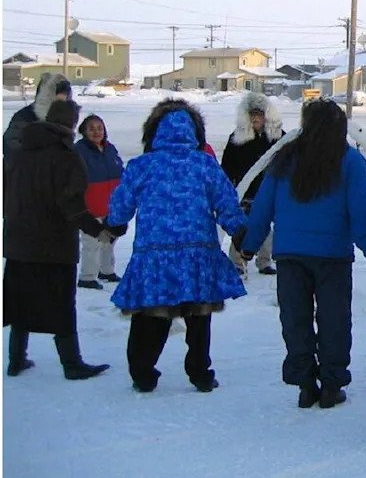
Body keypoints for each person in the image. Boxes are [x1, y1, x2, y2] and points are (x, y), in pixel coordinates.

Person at [240, 99, 366, 409]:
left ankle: (306, 384)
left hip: (290, 255)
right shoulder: (350, 161)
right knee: (334, 321)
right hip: (333, 257)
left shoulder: (284, 159)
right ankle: (332, 385)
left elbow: (262, 206)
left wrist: (249, 245)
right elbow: (362, 214)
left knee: (296, 320)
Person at [106, 99, 247, 394]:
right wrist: (240, 232)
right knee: (198, 319)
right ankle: (200, 374)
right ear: (195, 132)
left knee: (150, 318)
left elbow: (121, 206)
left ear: (153, 132)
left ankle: (142, 374)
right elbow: (226, 203)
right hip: (198, 252)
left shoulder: (141, 166)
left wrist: (114, 224)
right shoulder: (204, 164)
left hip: (153, 254)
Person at [4, 100, 112, 380]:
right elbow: (71, 203)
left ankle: (15, 360)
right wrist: (97, 229)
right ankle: (72, 363)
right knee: (62, 303)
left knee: (20, 301)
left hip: (18, 242)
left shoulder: (17, 153)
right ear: (72, 124)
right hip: (52, 245)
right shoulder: (65, 155)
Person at [221, 92, 285, 276]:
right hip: (244, 190)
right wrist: (229, 186)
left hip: (269, 189)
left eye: (259, 114)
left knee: (265, 227)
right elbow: (227, 165)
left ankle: (264, 261)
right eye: (253, 114)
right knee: (241, 226)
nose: (256, 118)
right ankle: (237, 262)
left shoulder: (276, 137)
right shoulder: (237, 138)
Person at [74, 114, 125, 290]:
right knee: (92, 242)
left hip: (111, 205)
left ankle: (106, 270)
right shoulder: (79, 151)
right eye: (92, 128)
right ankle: (87, 276)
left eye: (99, 128)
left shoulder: (110, 149)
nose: (96, 132)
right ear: (84, 131)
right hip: (91, 206)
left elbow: (120, 171)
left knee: (110, 240)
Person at [3, 73, 71, 165]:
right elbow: (11, 147)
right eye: (57, 99)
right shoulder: (24, 117)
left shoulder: (64, 119)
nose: (61, 104)